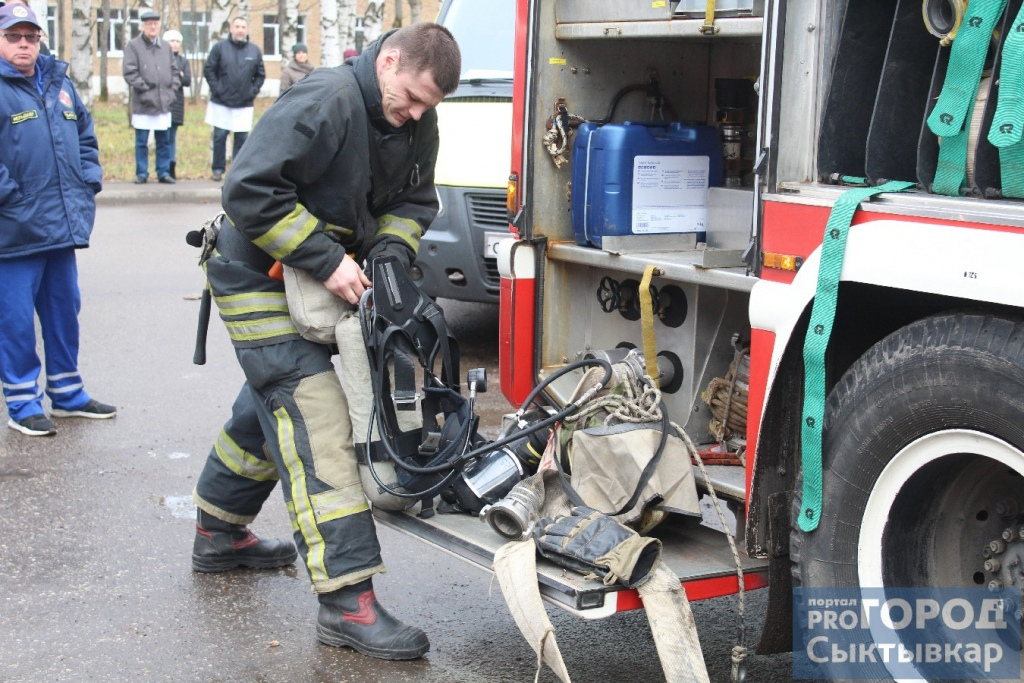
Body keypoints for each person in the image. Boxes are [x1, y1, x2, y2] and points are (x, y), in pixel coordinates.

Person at [191, 23, 459, 660]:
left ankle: (216, 534)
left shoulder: (416, 117)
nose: (417, 114)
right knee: (312, 412)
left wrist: (390, 256)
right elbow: (248, 189)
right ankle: (348, 602)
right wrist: (325, 258)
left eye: (428, 106)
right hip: (256, 270)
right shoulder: (326, 98)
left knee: (268, 406)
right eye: (412, 97)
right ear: (388, 61)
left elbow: (416, 201)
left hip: (318, 274)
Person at [0, 3, 116, 436]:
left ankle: (67, 394)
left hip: (60, 228)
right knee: (14, 321)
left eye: (31, 36)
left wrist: (88, 182)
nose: (24, 44)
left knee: (64, 311)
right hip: (12, 231)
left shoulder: (59, 83)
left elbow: (85, 136)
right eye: (14, 37)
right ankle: (22, 402)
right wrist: (12, 199)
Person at [203, 16, 264, 182]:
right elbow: (209, 70)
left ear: (247, 30)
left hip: (244, 104)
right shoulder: (219, 48)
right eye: (237, 26)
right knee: (220, 137)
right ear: (231, 28)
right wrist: (218, 90)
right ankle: (217, 169)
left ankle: (236, 172)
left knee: (242, 139)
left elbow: (260, 75)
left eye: (243, 27)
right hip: (221, 102)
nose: (240, 30)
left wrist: (252, 91)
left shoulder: (254, 50)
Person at [123, 10, 178, 184]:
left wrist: (172, 90)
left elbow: (175, 71)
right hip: (143, 102)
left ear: (159, 25)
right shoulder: (134, 46)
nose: (152, 27)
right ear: (143, 26)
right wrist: (145, 90)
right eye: (148, 24)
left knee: (164, 141)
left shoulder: (165, 47)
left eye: (155, 23)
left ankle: (163, 171)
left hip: (164, 102)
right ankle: (142, 172)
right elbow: (130, 72)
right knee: (142, 141)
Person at [163, 28, 190, 180]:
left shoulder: (183, 61)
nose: (174, 44)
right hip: (162, 102)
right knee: (163, 137)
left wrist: (179, 75)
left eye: (177, 41)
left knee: (172, 136)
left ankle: (171, 167)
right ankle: (163, 168)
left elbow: (187, 80)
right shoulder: (161, 58)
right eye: (171, 41)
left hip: (177, 103)